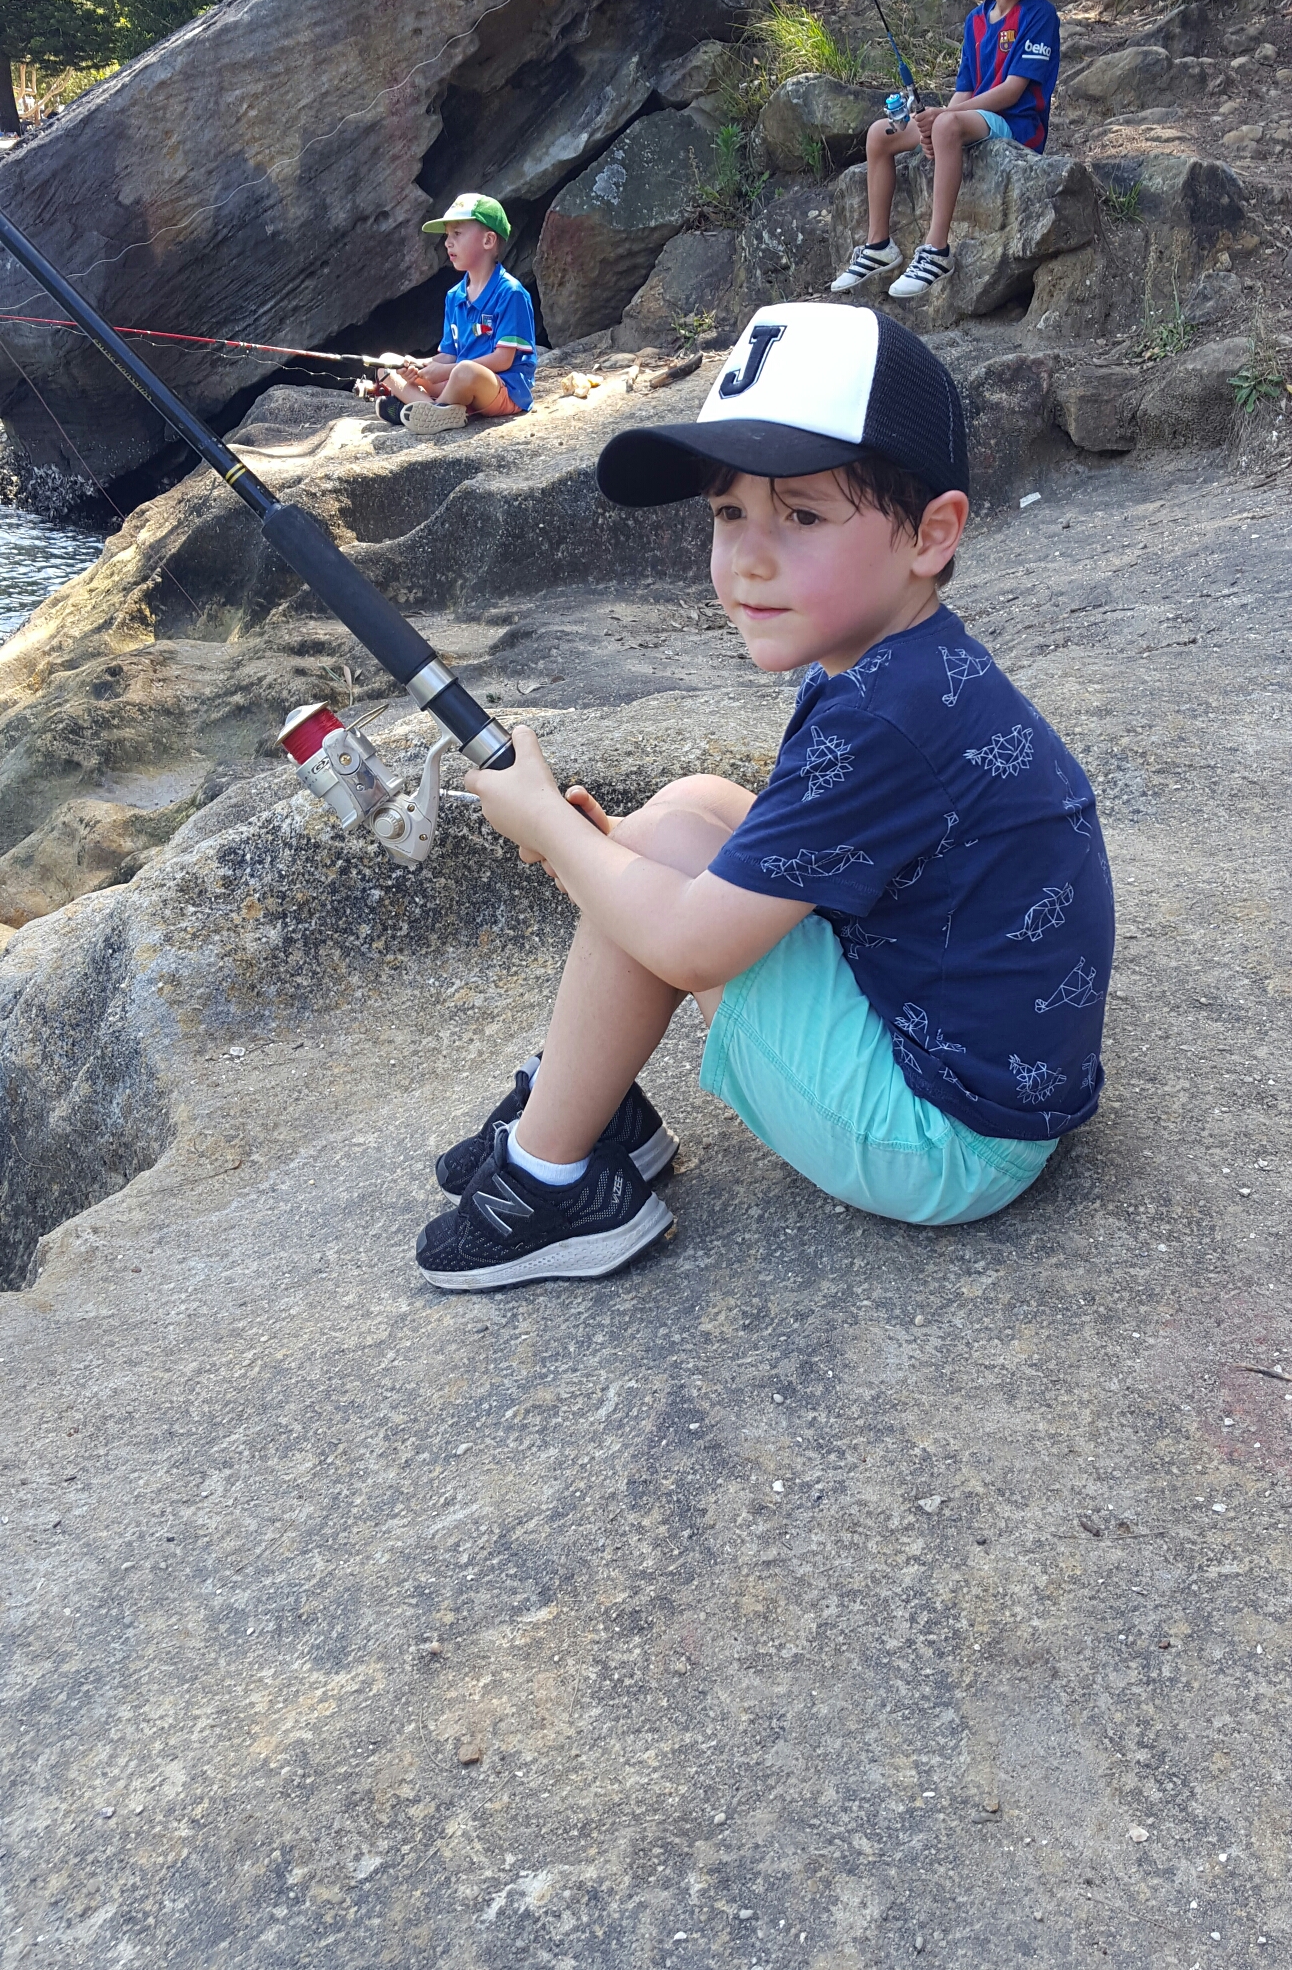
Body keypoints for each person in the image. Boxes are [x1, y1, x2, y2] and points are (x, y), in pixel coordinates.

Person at [415, 300, 1113, 1291]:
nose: (746, 555)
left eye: (803, 515)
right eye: (728, 512)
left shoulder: (883, 717)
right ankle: (590, 1097)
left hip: (946, 1143)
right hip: (986, 1076)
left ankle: (547, 1182)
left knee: (661, 872)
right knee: (691, 806)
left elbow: (693, 944)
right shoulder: (902, 667)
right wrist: (611, 861)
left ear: (931, 533)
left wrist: (554, 835)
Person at [831, 0, 1061, 304]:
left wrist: (945, 119)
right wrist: (929, 126)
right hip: (975, 117)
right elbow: (964, 91)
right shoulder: (976, 22)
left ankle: (936, 250)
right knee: (880, 135)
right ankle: (879, 245)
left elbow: (1012, 92)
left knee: (945, 125)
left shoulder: (1040, 15)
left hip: (1018, 127)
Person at [375, 192, 536, 434]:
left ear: (488, 240)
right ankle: (434, 411)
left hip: (501, 388)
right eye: (447, 235)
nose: (447, 243)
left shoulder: (510, 293)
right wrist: (419, 365)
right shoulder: (454, 296)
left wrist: (446, 371)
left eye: (457, 234)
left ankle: (420, 408)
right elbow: (449, 355)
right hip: (457, 382)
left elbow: (503, 359)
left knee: (465, 371)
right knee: (386, 363)